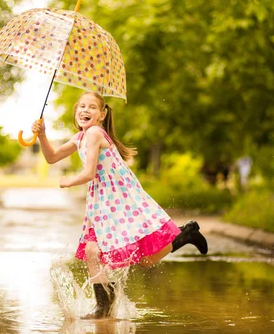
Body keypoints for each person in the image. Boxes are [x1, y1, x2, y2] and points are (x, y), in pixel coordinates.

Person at [31, 92, 208, 319]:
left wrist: (68, 181)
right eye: (81, 106)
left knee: (141, 259)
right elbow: (52, 157)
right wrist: (42, 135)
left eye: (92, 107)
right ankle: (104, 309)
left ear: (102, 115)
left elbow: (89, 172)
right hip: (101, 203)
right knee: (96, 251)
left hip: (120, 201)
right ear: (75, 113)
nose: (85, 110)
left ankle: (186, 235)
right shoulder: (80, 137)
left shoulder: (94, 133)